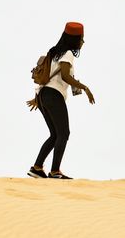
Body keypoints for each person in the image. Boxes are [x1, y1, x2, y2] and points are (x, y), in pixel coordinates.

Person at [26, 22, 95, 179]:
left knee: (55, 135)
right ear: (75, 40)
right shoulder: (68, 53)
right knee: (63, 133)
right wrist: (85, 88)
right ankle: (55, 171)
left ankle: (37, 168)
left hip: (43, 95)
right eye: (81, 39)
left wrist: (38, 97)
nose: (83, 42)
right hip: (53, 96)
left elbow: (45, 78)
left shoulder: (54, 53)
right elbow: (65, 76)